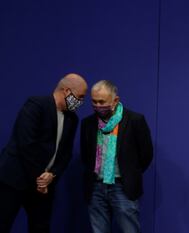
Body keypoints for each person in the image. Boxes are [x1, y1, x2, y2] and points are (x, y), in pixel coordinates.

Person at [0, 73, 88, 233]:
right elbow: (26, 144)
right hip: (15, 178)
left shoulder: (72, 119)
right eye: (80, 97)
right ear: (67, 91)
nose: (81, 102)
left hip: (45, 184)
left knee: (41, 227)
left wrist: (52, 175)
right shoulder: (36, 105)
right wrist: (41, 177)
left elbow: (65, 153)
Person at [81, 80, 153, 233]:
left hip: (123, 187)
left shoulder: (135, 120)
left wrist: (130, 174)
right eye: (94, 101)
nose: (98, 105)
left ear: (115, 100)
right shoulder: (87, 123)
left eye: (102, 101)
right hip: (96, 188)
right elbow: (85, 155)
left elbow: (146, 155)